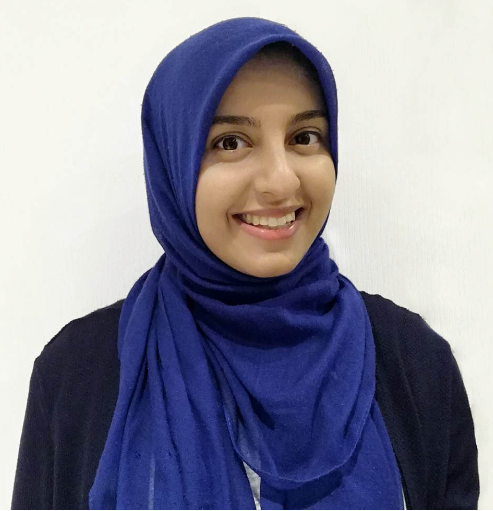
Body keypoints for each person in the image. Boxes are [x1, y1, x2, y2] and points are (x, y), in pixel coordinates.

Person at [11, 17, 479, 510]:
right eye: (230, 142)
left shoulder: (414, 361)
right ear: (173, 160)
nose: (281, 181)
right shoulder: (75, 376)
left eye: (305, 137)